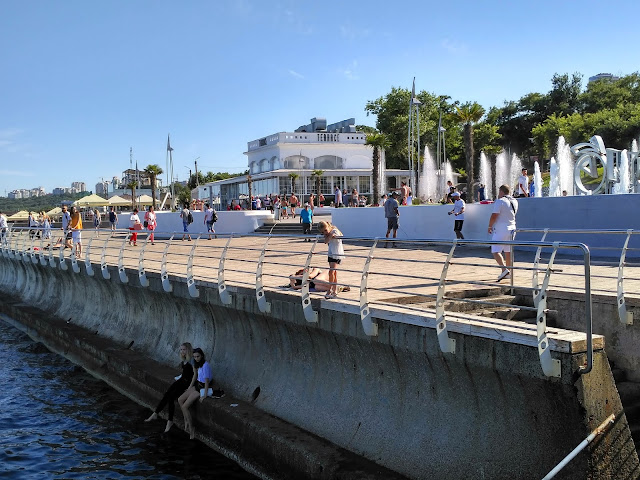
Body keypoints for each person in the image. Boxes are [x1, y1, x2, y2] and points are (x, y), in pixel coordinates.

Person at [145, 342, 194, 433]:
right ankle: (155, 413)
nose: (182, 351)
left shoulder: (192, 360)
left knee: (171, 398)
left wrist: (191, 387)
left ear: (188, 350)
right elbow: (185, 374)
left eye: (184, 349)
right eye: (181, 349)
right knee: (167, 394)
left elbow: (195, 375)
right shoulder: (184, 359)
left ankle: (170, 421)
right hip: (181, 380)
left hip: (186, 383)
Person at [178, 348, 222, 440]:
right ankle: (186, 419)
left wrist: (204, 395)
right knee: (180, 399)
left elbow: (206, 382)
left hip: (201, 388)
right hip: (197, 385)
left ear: (202, 356)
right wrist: (190, 387)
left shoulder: (205, 365)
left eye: (198, 356)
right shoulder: (197, 364)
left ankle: (191, 428)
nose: (196, 358)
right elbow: (195, 376)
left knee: (185, 406)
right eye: (194, 357)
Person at [487, 184, 518, 281]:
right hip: (512, 228)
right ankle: (508, 272)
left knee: (495, 251)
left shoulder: (500, 201)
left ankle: (504, 269)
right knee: (508, 251)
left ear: (501, 191)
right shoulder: (514, 201)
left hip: (501, 228)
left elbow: (494, 215)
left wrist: (490, 226)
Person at [317, 220, 344, 299]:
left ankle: (330, 289)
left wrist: (331, 235)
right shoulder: (328, 234)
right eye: (323, 232)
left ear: (328, 226)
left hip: (336, 254)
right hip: (331, 253)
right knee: (333, 272)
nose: (325, 232)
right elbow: (326, 241)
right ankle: (334, 290)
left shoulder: (334, 230)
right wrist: (328, 235)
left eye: (325, 230)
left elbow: (336, 236)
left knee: (331, 271)